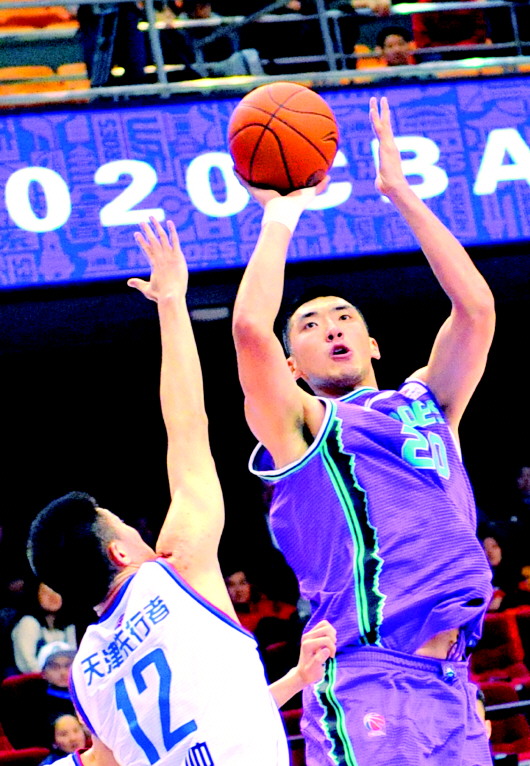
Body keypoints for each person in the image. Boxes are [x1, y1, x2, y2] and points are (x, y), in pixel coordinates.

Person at [232, 96, 496, 765]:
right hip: (369, 681)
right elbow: (249, 330)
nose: (332, 328)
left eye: (344, 317)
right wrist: (281, 215)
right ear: (292, 367)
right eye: (310, 326)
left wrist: (400, 192)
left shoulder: (428, 402)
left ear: (373, 343)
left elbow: (476, 307)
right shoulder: (301, 428)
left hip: (454, 683)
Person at [27, 218, 336, 766]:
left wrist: (294, 680)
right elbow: (187, 424)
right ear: (119, 552)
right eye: (125, 525)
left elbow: (189, 736)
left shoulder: (87, 673)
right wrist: (172, 303)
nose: (138, 532)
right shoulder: (176, 570)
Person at [11, 582, 76, 674]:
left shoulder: (68, 625)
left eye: (56, 592)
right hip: (35, 679)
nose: (52, 597)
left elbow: (73, 656)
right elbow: (28, 662)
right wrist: (50, 677)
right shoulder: (28, 622)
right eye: (45, 593)